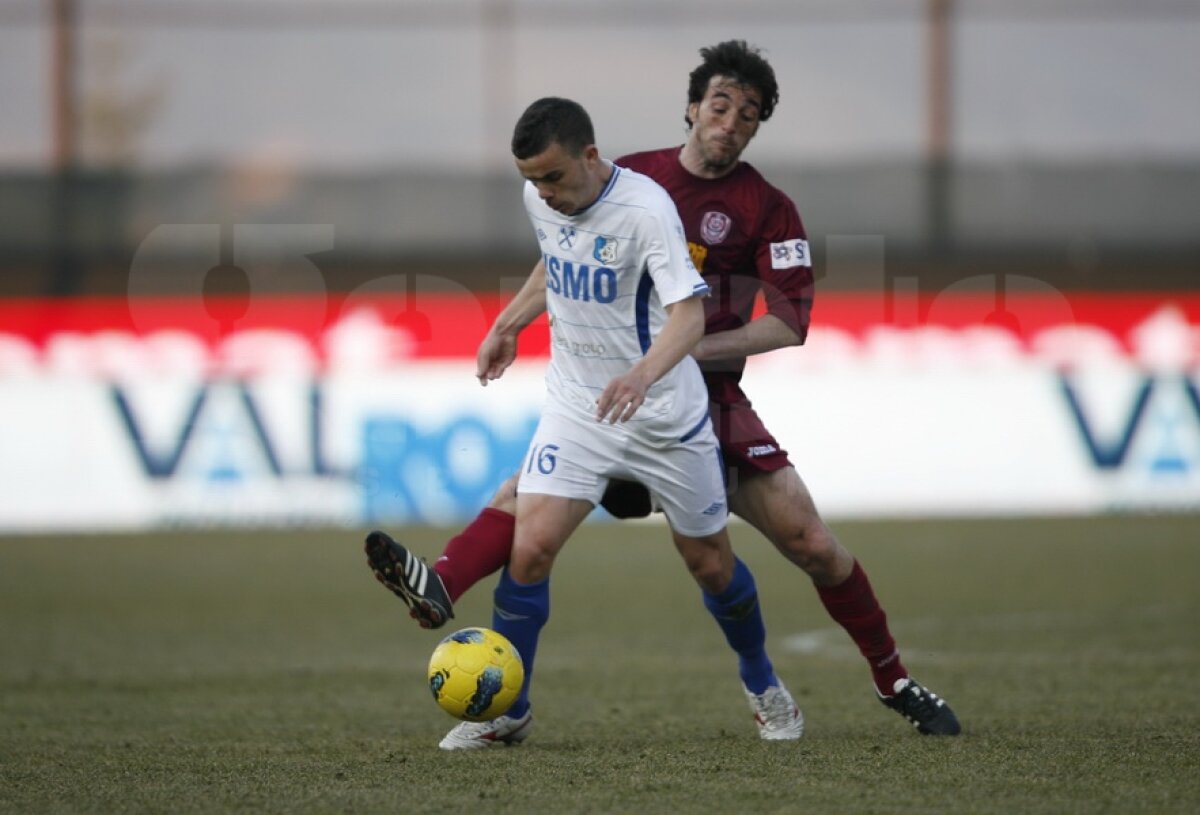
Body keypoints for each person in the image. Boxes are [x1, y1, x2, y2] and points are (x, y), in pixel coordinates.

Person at [368, 41, 959, 739]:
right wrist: (509, 323)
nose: (730, 122)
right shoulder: (618, 176)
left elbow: (789, 323)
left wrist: (677, 355)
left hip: (700, 399)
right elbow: (561, 254)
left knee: (805, 542)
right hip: (599, 396)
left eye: (748, 114)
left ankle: (890, 679)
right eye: (720, 105)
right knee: (527, 523)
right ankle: (499, 692)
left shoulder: (766, 209)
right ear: (692, 107)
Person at [374, 95, 804, 750]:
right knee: (531, 547)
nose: (543, 192)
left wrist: (642, 374)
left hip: (663, 414)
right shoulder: (541, 197)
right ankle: (507, 710)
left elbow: (689, 316)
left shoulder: (646, 209)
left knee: (710, 563)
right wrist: (505, 325)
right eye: (532, 180)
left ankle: (761, 681)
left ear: (590, 156)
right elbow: (553, 263)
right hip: (577, 404)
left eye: (553, 176)